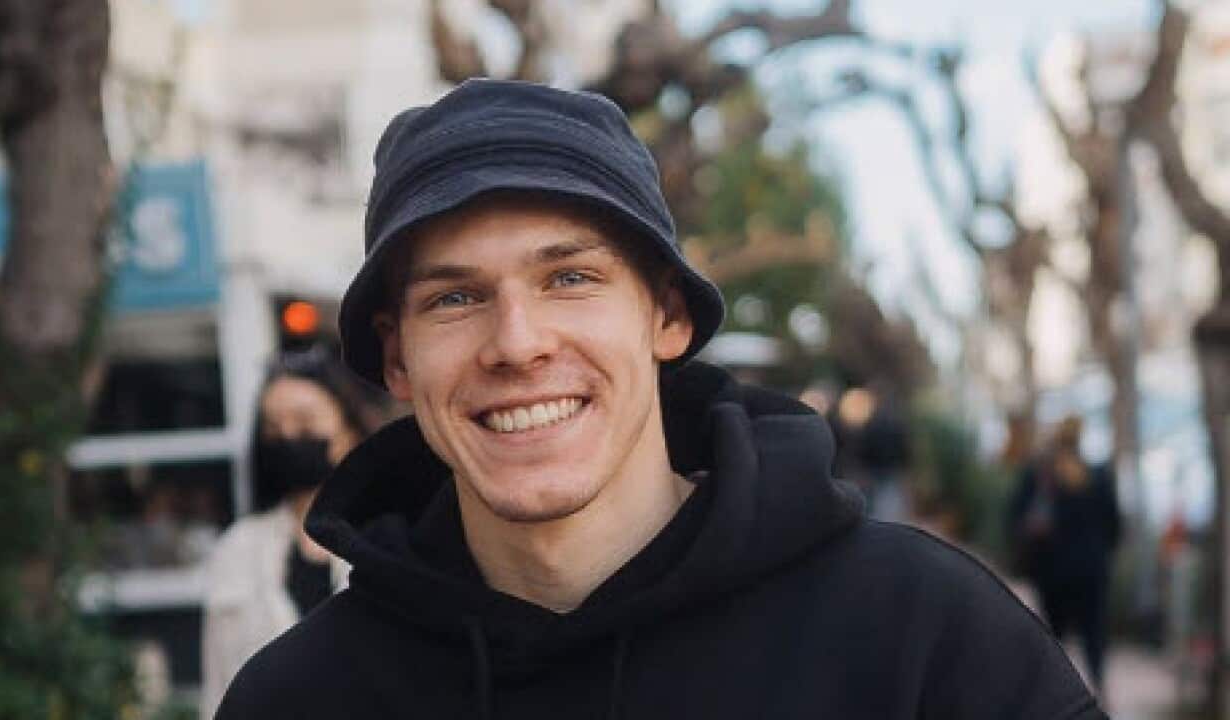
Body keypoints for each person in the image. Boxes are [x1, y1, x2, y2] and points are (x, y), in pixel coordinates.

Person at [215, 79, 1107, 719]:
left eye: (569, 278)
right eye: (455, 297)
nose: (519, 342)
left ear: (669, 316)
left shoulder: (921, 638)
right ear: (398, 363)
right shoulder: (297, 698)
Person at [201, 347, 373, 718]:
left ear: (350, 430)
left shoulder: (391, 538)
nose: (289, 437)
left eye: (305, 422)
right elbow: (217, 688)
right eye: (274, 428)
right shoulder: (238, 550)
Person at [1008, 416, 1121, 696]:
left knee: (1055, 637)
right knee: (1093, 634)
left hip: (1053, 571)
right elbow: (1115, 525)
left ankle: (1057, 696)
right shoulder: (1098, 476)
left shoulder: (1040, 476)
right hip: (1091, 570)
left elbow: (1015, 517)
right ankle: (1098, 691)